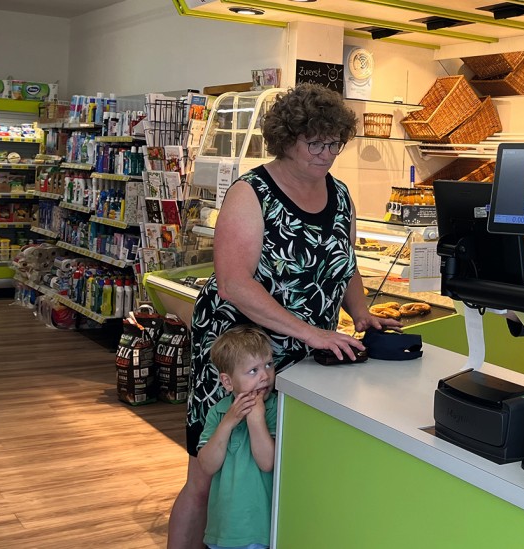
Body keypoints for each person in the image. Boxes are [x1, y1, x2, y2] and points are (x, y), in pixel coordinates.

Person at [168, 83, 402, 548]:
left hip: (302, 359)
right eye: (315, 142)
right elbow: (235, 282)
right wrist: (311, 332)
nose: (326, 153)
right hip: (242, 356)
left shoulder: (339, 193)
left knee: (272, 469)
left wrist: (361, 313)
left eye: (334, 142)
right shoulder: (251, 192)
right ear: (286, 138)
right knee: (209, 472)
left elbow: (344, 261)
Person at [198, 325, 277, 549]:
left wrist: (255, 419)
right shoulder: (219, 412)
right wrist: (228, 423)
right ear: (228, 382)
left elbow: (267, 462)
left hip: (260, 529)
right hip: (224, 529)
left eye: (269, 365)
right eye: (253, 370)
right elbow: (207, 465)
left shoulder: (276, 410)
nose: (265, 376)